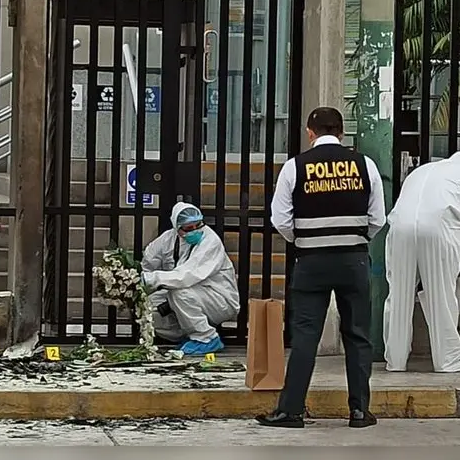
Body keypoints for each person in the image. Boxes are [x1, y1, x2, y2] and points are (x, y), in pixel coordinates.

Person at [257, 107, 385, 429]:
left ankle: (291, 410)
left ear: (310, 132)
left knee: (305, 336)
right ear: (341, 132)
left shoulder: (294, 167)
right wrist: (354, 239)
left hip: (310, 262)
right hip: (353, 260)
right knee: (357, 335)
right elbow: (378, 219)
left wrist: (304, 240)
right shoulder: (364, 165)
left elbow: (280, 220)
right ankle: (359, 411)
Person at [383, 151, 460, 373]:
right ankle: (447, 360)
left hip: (400, 229)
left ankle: (395, 361)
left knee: (398, 295)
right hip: (441, 228)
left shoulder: (420, 171)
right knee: (441, 295)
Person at [141, 201, 240, 356]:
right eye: (188, 228)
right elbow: (149, 260)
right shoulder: (168, 239)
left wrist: (153, 279)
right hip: (193, 293)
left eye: (198, 225)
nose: (195, 231)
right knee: (147, 306)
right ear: (177, 228)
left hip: (219, 298)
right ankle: (188, 335)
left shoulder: (210, 241)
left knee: (179, 292)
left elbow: (187, 275)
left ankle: (206, 337)